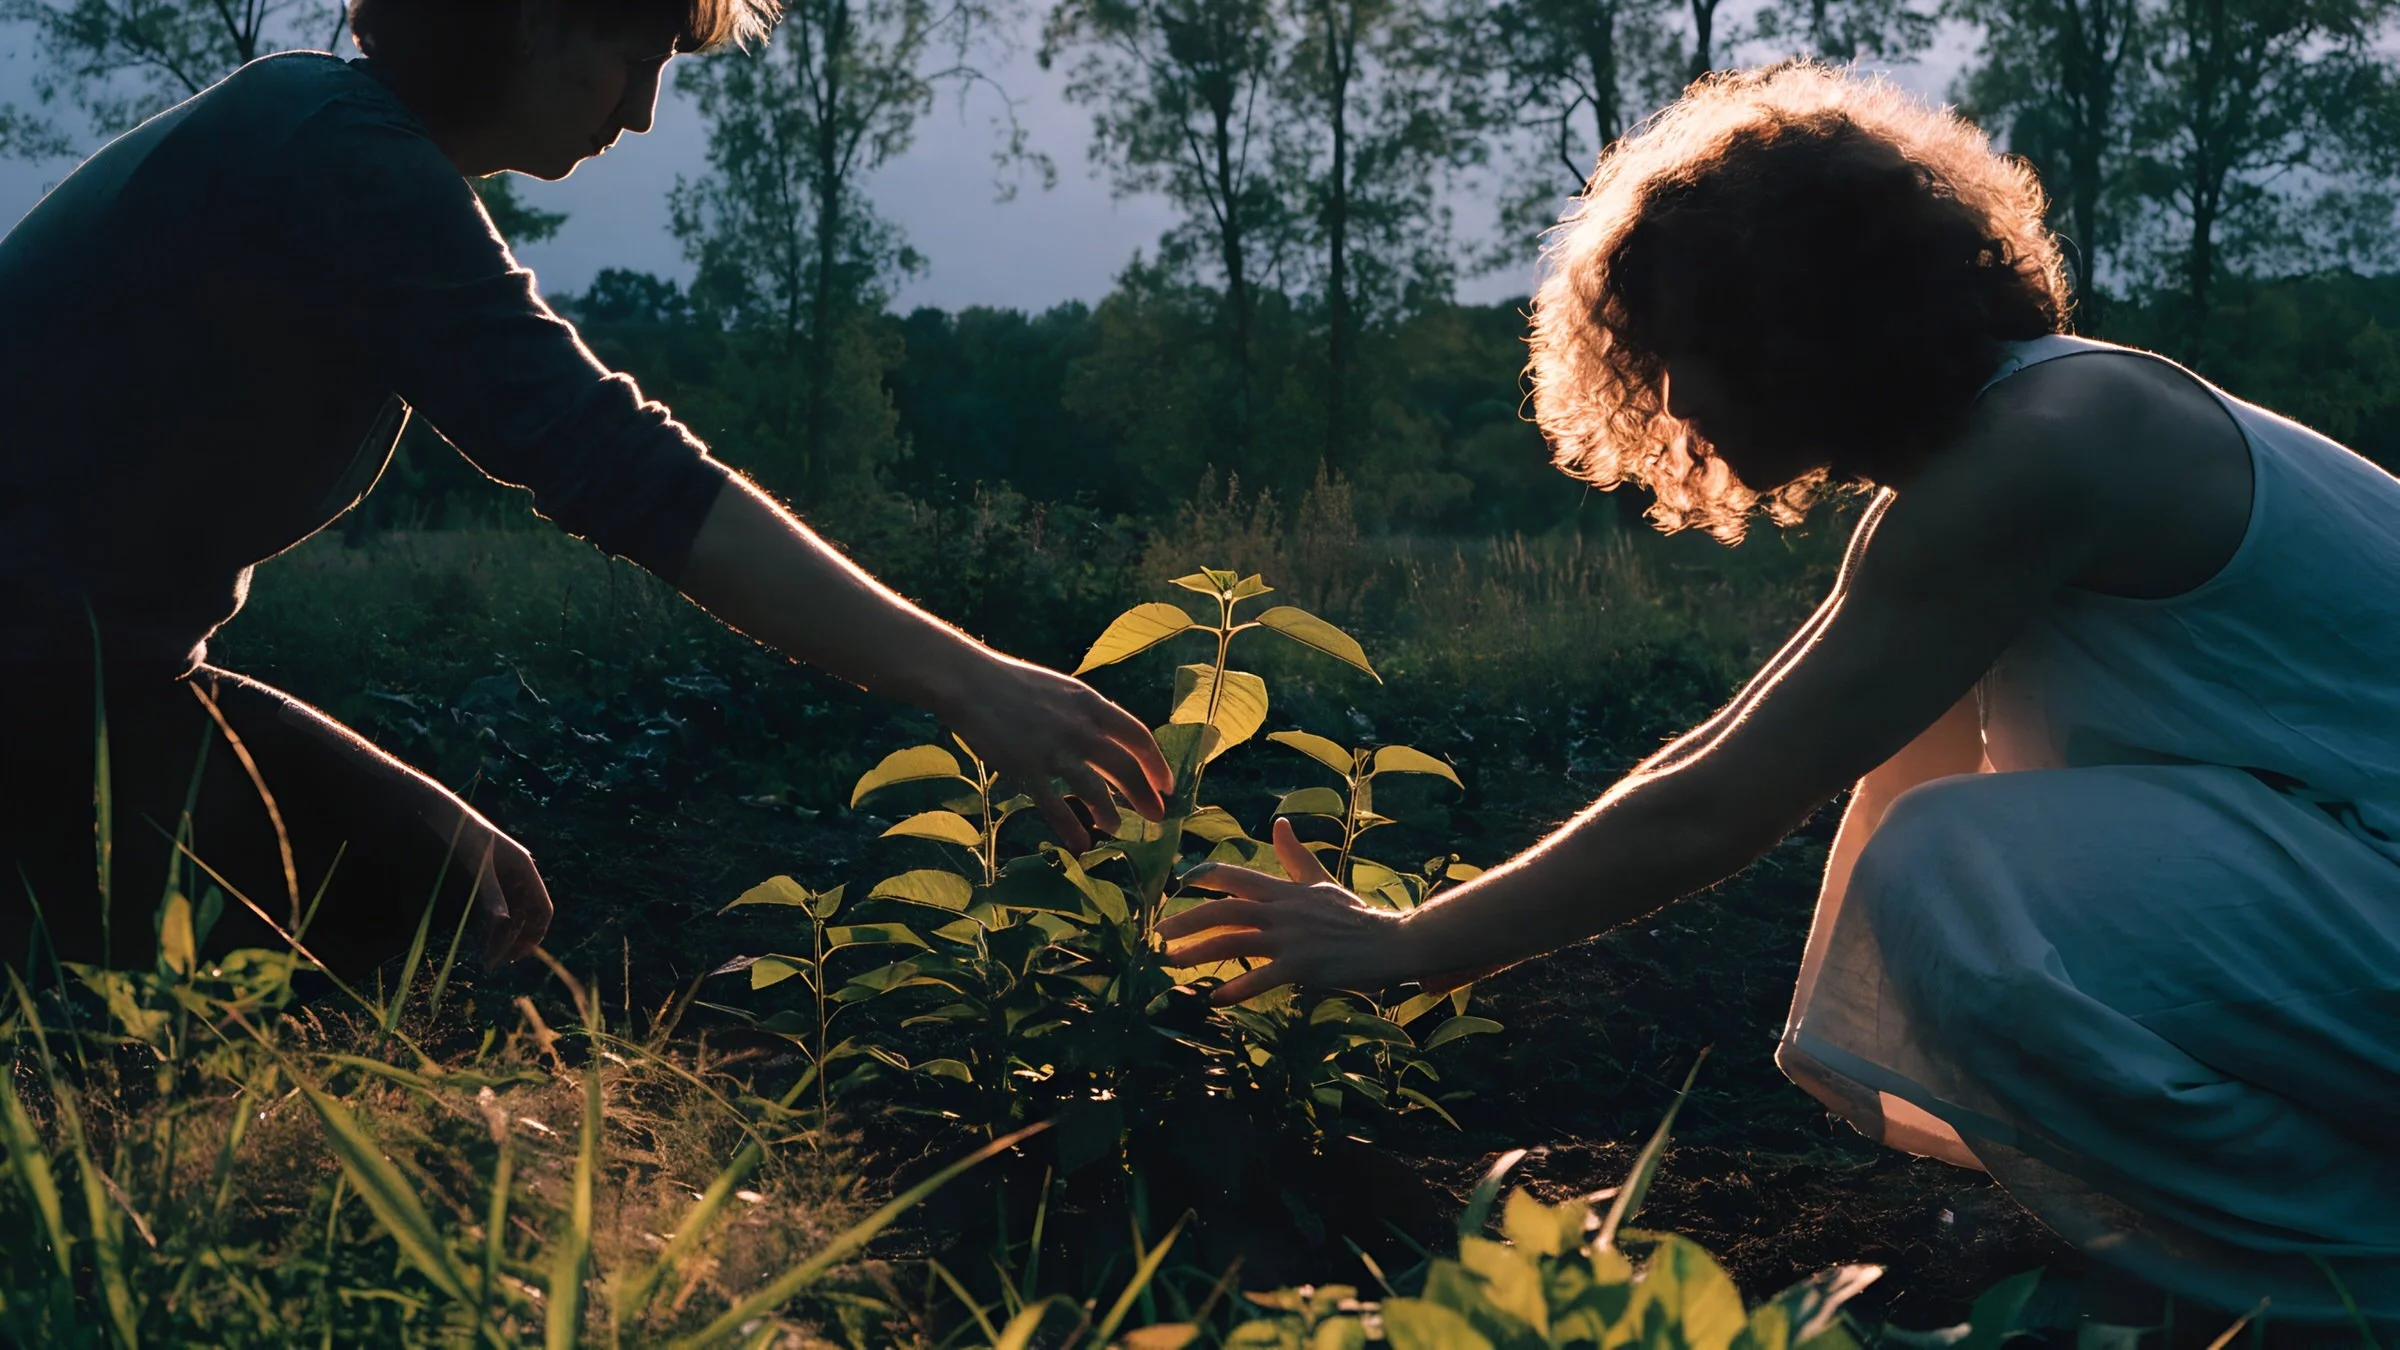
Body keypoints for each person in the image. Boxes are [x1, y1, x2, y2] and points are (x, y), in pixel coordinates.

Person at [1159, 64, 2400, 1329]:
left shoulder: (2046, 449)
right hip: (2357, 881)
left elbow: (1723, 803)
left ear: (1801, 330)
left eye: (1690, 352)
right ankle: (2288, 1238)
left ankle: (2348, 1271)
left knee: (1941, 866)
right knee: (1915, 823)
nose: (1677, 400)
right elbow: (1733, 746)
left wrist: (1408, 945)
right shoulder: (1999, 452)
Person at [0, 0, 1171, 980]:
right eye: (636, 51)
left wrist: (414, 802)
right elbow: (623, 469)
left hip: (88, 681)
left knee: (436, 877)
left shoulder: (333, 138)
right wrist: (971, 683)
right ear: (523, 13)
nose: (645, 107)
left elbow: (128, 635)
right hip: (33, 698)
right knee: (280, 950)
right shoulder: (333, 152)